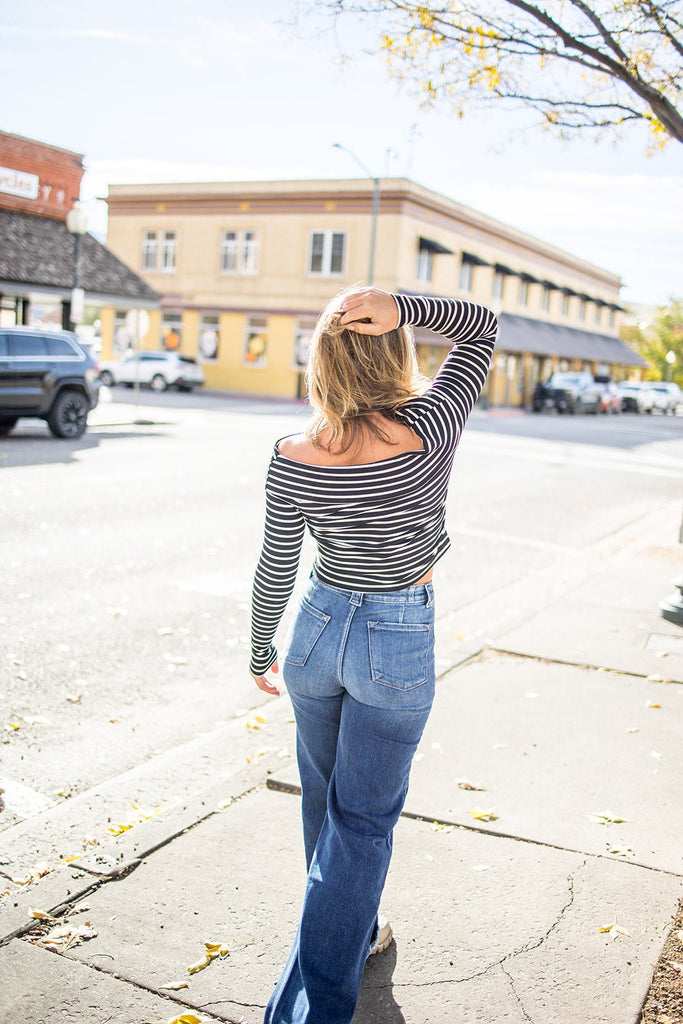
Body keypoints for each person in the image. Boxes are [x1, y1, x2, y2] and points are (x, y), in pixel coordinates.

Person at [249, 286, 498, 1024]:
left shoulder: (292, 452)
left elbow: (275, 564)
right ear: (396, 349)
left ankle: (349, 937)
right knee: (361, 823)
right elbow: (481, 329)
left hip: (316, 631)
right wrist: (399, 304)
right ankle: (314, 1006)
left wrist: (260, 644)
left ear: (321, 358)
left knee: (328, 806)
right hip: (395, 635)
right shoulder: (430, 424)